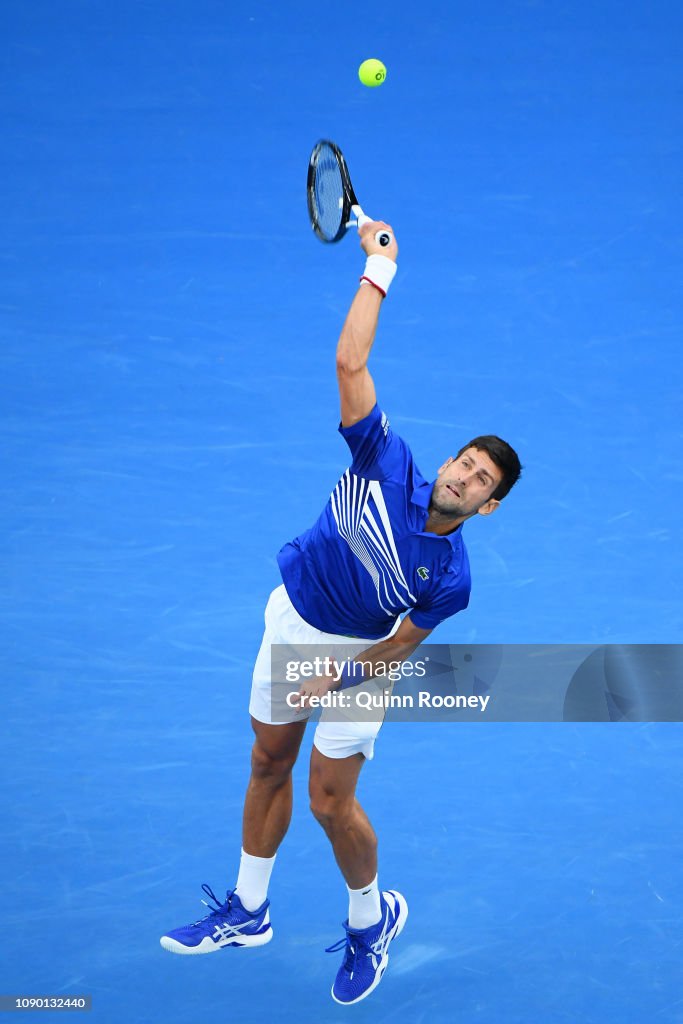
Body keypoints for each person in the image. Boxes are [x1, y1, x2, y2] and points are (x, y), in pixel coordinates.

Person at [160, 220, 522, 1005]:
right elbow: (349, 361)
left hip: (358, 660)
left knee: (330, 800)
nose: (463, 475)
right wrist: (377, 270)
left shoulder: (450, 578)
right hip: (292, 618)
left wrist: (342, 677)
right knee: (265, 761)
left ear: (488, 506)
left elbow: (400, 646)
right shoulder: (384, 459)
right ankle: (248, 911)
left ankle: (369, 921)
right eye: (465, 460)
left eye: (480, 478)